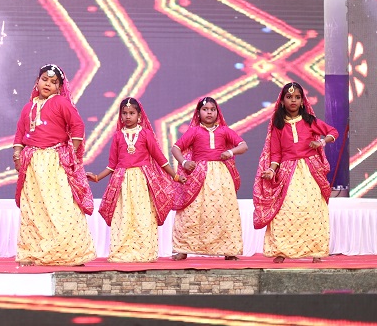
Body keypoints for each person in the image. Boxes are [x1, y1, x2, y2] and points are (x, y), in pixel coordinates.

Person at [12, 64, 96, 266]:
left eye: (53, 82)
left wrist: (72, 153)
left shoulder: (60, 102)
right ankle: (34, 252)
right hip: (32, 163)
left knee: (61, 205)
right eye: (44, 79)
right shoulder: (28, 107)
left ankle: (70, 252)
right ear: (37, 81)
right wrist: (17, 156)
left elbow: (78, 125)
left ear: (59, 87)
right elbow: (20, 134)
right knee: (34, 208)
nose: (48, 84)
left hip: (54, 162)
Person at [86, 97, 184, 262]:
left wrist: (175, 176)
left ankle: (144, 252)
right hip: (122, 182)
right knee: (123, 216)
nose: (127, 116)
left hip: (142, 181)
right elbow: (112, 165)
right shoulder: (118, 136)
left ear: (139, 116)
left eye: (131, 113)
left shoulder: (146, 134)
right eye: (124, 113)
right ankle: (122, 251)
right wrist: (97, 177)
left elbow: (160, 159)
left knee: (142, 216)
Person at [253, 82, 337, 263]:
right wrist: (271, 170)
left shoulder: (310, 121)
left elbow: (333, 132)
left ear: (302, 101)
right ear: (282, 101)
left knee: (313, 210)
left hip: (310, 171)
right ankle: (282, 251)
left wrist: (321, 142)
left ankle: (316, 251)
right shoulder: (278, 125)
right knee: (285, 210)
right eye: (289, 97)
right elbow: (276, 153)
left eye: (297, 97)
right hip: (287, 172)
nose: (293, 100)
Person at [170, 96, 248, 261]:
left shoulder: (224, 130)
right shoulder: (194, 131)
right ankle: (183, 249)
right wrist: (184, 162)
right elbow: (176, 148)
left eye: (213, 110)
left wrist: (230, 152)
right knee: (191, 211)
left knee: (224, 210)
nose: (209, 113)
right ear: (198, 113)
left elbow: (243, 146)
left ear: (217, 112)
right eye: (205, 109)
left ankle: (229, 250)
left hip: (221, 175)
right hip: (199, 175)